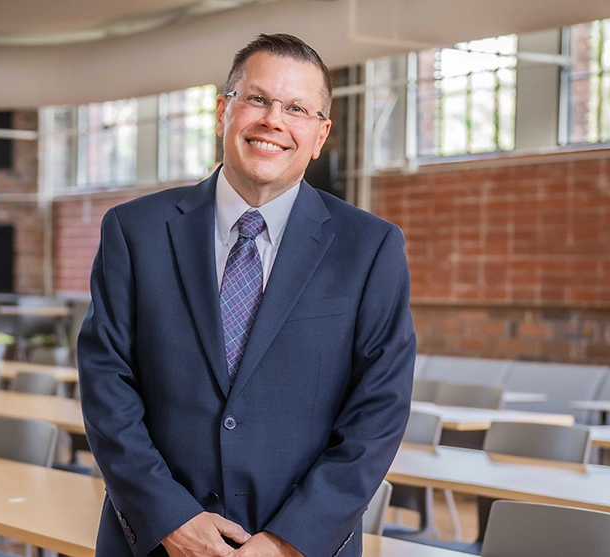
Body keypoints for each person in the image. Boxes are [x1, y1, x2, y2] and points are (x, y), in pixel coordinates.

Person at [78, 33, 416, 557]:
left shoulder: (370, 248)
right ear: (223, 112)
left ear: (321, 134)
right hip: (156, 542)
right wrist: (172, 518)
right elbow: (107, 387)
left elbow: (379, 412)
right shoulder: (134, 231)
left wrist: (287, 542)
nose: (273, 121)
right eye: (257, 99)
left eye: (297, 108)